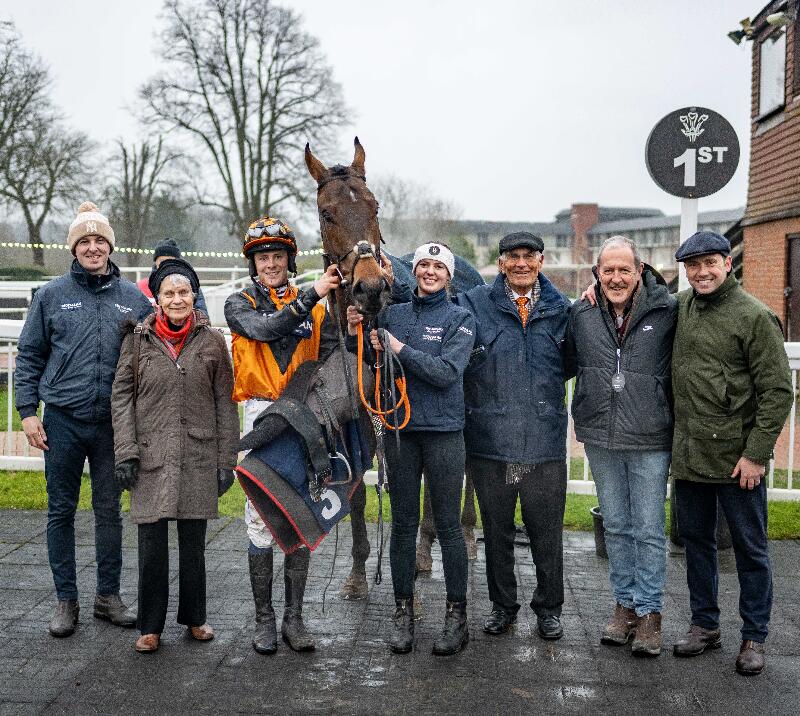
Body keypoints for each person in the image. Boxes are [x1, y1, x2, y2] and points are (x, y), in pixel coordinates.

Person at [15, 201, 152, 637]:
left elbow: (149, 359)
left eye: (100, 240)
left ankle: (107, 597)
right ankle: (66, 600)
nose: (93, 248)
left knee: (110, 511)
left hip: (113, 424)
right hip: (62, 420)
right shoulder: (51, 296)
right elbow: (30, 356)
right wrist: (27, 412)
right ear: (74, 248)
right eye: (85, 241)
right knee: (61, 510)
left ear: (110, 246)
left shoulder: (132, 298)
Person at [669, 231, 792, 676]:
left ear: (727, 262)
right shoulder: (681, 306)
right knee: (696, 544)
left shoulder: (755, 317)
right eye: (692, 266)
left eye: (709, 264)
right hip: (689, 455)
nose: (701, 273)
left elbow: (778, 392)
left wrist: (757, 455)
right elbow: (637, 294)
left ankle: (754, 636)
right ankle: (705, 625)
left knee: (750, 550)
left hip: (739, 461)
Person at [347, 242, 476, 656]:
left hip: (443, 435)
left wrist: (399, 348)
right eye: (424, 265)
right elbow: (366, 353)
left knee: (449, 526)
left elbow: (445, 372)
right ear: (413, 271)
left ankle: (457, 617)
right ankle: (402, 613)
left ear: (449, 275)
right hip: (401, 433)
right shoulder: (392, 313)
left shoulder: (461, 318)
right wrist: (357, 334)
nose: (430, 272)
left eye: (439, 266)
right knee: (403, 527)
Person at [224, 215, 341, 654]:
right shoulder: (239, 303)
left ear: (289, 260)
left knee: (299, 514)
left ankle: (295, 618)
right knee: (259, 519)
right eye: (262, 258)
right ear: (253, 264)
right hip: (260, 417)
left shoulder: (316, 306)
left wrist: (345, 320)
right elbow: (265, 329)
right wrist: (314, 294)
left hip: (304, 418)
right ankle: (264, 619)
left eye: (277, 256)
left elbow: (332, 353)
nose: (270, 264)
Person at [111, 258, 240, 653]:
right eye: (169, 293)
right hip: (150, 456)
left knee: (193, 546)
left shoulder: (213, 341)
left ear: (194, 295)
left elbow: (226, 402)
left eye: (184, 291)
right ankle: (150, 626)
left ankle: (196, 617)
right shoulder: (137, 340)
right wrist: (126, 451)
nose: (177, 299)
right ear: (158, 299)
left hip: (197, 455)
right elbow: (121, 397)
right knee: (151, 546)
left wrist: (226, 460)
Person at [456, 231, 571, 640]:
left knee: (546, 531)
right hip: (491, 443)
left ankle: (548, 607)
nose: (521, 263)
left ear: (542, 261)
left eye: (529, 256)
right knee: (497, 530)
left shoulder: (564, 311)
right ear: (501, 261)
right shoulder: (473, 305)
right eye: (512, 257)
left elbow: (571, 364)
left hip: (543, 444)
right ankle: (502, 605)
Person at [564, 236, 676, 656]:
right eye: (607, 270)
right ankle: (624, 605)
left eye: (623, 270)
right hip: (601, 435)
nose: (615, 278)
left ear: (639, 270)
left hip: (649, 436)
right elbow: (566, 361)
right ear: (597, 272)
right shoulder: (583, 313)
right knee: (615, 525)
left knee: (648, 528)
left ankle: (649, 613)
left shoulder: (668, 311)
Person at [136, 238, 207, 312]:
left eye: (170, 260)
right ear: (155, 262)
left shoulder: (190, 286)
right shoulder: (140, 287)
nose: (166, 264)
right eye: (162, 261)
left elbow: (202, 314)